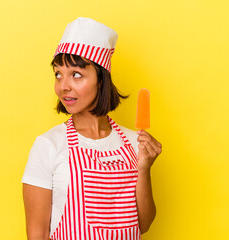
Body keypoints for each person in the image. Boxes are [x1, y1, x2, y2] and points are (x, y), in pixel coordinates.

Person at [22, 17, 162, 240]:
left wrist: (144, 168)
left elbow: (143, 224)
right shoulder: (48, 146)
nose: (63, 86)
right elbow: (37, 233)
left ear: (101, 79)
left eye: (76, 74)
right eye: (58, 74)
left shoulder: (135, 143)